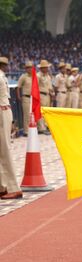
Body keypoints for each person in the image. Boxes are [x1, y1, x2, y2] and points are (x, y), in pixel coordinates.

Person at [0, 56, 23, 200]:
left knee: (4, 151)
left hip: (1, 111)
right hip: (4, 110)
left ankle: (13, 187)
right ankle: (3, 186)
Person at [37, 60, 54, 134]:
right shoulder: (38, 76)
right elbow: (35, 87)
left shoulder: (48, 76)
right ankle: (41, 128)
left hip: (48, 95)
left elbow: (50, 86)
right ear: (41, 68)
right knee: (41, 111)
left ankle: (46, 126)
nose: (47, 69)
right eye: (46, 67)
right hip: (41, 95)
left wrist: (52, 94)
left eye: (47, 67)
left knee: (46, 112)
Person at [16, 61, 33, 135]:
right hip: (26, 97)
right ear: (26, 69)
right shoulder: (23, 76)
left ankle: (32, 130)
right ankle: (26, 131)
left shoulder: (34, 76)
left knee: (33, 114)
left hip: (33, 97)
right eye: (28, 68)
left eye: (31, 67)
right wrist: (19, 96)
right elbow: (18, 87)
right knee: (26, 115)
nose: (29, 69)